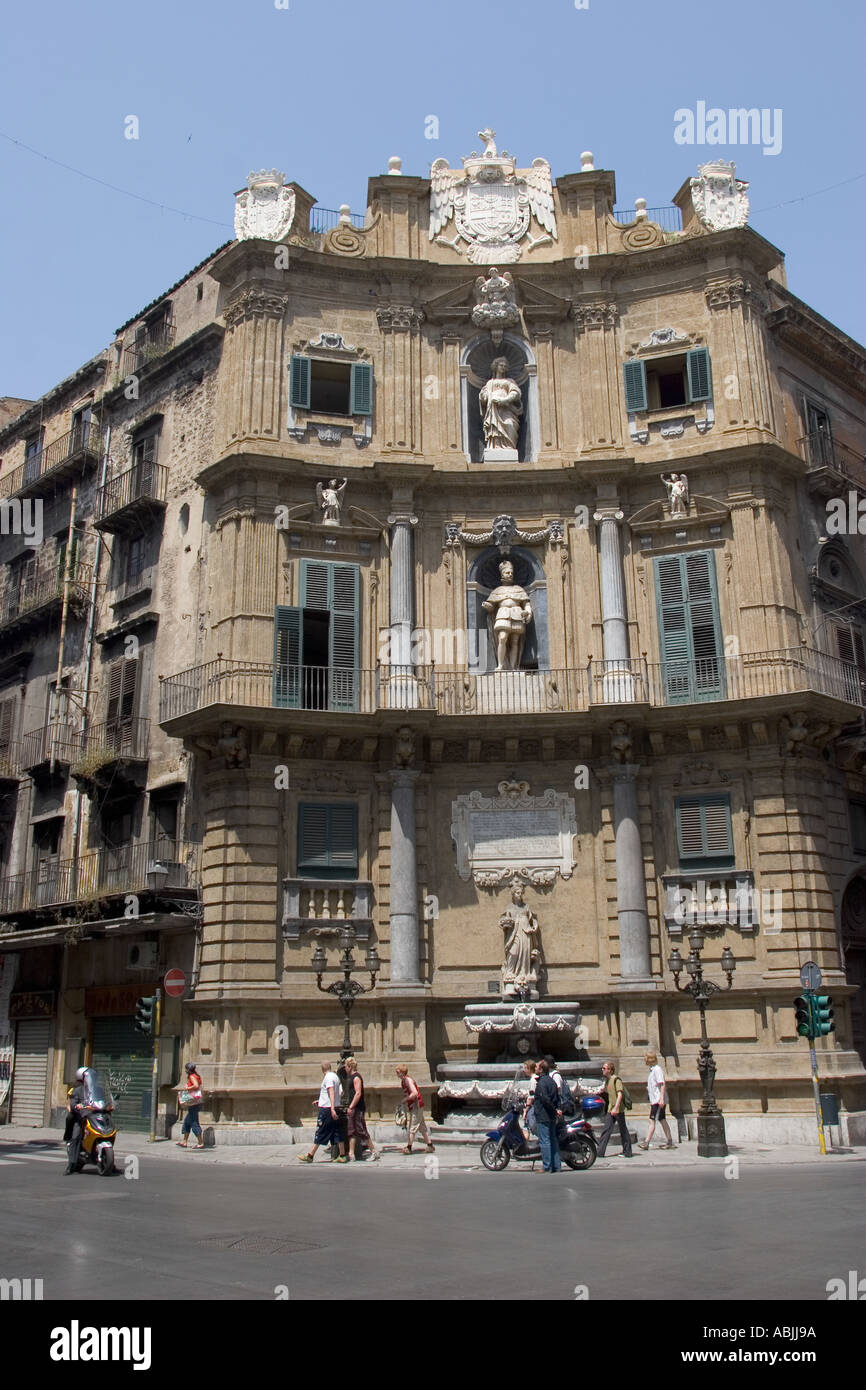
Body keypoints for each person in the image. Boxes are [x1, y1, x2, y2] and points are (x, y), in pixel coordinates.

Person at [298, 1061, 349, 1163]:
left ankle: (310, 1155)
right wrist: (321, 1101)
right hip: (335, 1107)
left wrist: (331, 1108)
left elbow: (331, 1092)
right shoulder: (335, 1077)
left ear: (322, 1070)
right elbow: (340, 1092)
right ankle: (342, 1155)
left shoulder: (328, 1078)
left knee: (321, 1131)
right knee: (337, 1132)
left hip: (328, 1110)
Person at [595, 1060, 633, 1158]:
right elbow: (609, 1092)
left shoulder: (616, 1080)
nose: (602, 1070)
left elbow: (620, 1094)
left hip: (618, 1110)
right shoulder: (608, 1080)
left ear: (610, 1070)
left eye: (604, 1068)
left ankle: (627, 1152)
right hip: (610, 1109)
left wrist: (616, 1108)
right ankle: (600, 1151)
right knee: (606, 1130)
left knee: (623, 1130)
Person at [638, 1051, 676, 1150]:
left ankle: (646, 1142)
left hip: (658, 1100)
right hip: (655, 1099)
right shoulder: (652, 1070)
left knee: (652, 1120)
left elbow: (662, 1084)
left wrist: (662, 1098)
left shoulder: (657, 1070)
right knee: (662, 1120)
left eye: (645, 1058)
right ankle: (670, 1141)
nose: (644, 1060)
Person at [345, 1056, 380, 1162]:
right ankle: (351, 1154)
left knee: (361, 1130)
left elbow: (358, 1093)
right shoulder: (351, 1077)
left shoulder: (356, 1077)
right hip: (354, 1109)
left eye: (346, 1066)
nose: (345, 1068)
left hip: (357, 1109)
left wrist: (351, 1106)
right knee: (352, 1131)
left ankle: (374, 1152)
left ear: (350, 1066)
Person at [396, 1064, 435, 1154]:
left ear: (402, 1072)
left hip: (416, 1106)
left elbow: (414, 1093)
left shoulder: (408, 1080)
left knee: (412, 1127)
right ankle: (430, 1145)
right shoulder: (404, 1080)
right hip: (415, 1106)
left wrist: (405, 1100)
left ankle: (409, 1147)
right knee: (421, 1127)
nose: (396, 1074)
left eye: (398, 1072)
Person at [533, 1058, 562, 1172]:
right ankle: (556, 1165)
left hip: (543, 1114)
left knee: (544, 1141)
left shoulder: (541, 1083)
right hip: (551, 1115)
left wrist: (553, 1110)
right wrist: (555, 1110)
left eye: (536, 1067)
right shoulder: (552, 1081)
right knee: (553, 1140)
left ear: (541, 1069)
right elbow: (557, 1098)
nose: (534, 1069)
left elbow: (545, 1099)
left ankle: (547, 1166)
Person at [64, 1067, 88, 1175]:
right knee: (76, 1137)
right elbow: (73, 1104)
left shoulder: (96, 1089)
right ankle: (71, 1164)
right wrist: (78, 1106)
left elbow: (102, 1100)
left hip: (93, 1116)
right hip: (81, 1117)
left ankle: (111, 1164)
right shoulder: (77, 1090)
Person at [177, 1062, 205, 1149]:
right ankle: (184, 1141)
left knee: (194, 1122)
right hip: (196, 1102)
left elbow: (196, 1085)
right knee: (187, 1122)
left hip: (194, 1102)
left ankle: (200, 1142)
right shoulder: (196, 1075)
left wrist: (187, 1088)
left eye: (186, 1069)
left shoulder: (192, 1076)